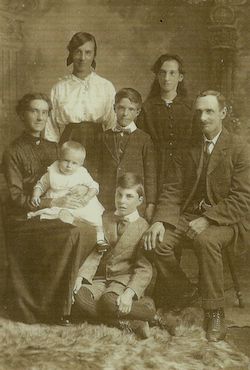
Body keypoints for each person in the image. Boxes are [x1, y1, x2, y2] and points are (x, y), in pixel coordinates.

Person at [143, 90, 250, 342]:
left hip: (228, 219)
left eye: (209, 111)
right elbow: (172, 188)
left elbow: (243, 198)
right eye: (199, 111)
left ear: (223, 113)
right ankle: (186, 291)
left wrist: (209, 219)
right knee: (155, 242)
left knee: (206, 241)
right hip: (191, 214)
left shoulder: (240, 148)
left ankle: (214, 312)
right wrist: (159, 220)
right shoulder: (188, 146)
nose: (203, 117)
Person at [2, 93, 96, 324]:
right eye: (34, 111)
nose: (40, 117)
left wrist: (82, 192)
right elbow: (15, 197)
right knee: (72, 233)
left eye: (44, 112)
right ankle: (54, 309)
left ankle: (66, 302)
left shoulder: (55, 148)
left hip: (53, 213)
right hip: (23, 217)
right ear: (22, 115)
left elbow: (75, 177)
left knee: (89, 230)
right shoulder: (13, 151)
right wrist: (52, 203)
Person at [73, 173, 157, 339]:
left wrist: (128, 293)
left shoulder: (144, 227)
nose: (122, 200)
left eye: (129, 196)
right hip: (100, 279)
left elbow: (144, 268)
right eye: (119, 194)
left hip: (123, 280)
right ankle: (131, 322)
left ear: (140, 200)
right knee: (78, 297)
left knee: (108, 301)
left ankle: (149, 312)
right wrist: (81, 277)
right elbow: (96, 252)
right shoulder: (105, 219)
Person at [44, 32, 116, 177]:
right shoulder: (59, 88)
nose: (83, 58)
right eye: (78, 52)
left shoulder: (105, 86)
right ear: (71, 54)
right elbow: (50, 129)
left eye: (88, 53)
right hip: (69, 144)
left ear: (94, 55)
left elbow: (112, 123)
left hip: (98, 143)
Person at [28, 140, 108, 253]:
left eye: (74, 163)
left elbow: (94, 186)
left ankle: (100, 239)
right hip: (60, 201)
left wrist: (87, 197)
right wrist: (35, 195)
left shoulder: (82, 173)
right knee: (56, 216)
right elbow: (41, 184)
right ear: (59, 158)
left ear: (81, 164)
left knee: (94, 217)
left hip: (79, 202)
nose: (69, 166)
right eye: (66, 161)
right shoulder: (52, 171)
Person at [98, 88, 157, 222]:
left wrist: (151, 204)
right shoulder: (103, 137)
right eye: (121, 108)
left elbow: (151, 175)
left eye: (131, 109)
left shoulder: (145, 139)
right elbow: (97, 170)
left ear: (138, 112)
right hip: (107, 202)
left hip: (134, 204)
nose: (125, 113)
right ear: (114, 108)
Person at [137, 54, 193, 194]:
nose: (166, 78)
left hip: (186, 167)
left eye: (172, 73)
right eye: (162, 73)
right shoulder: (147, 108)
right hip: (156, 167)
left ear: (180, 77)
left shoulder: (191, 107)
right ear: (157, 76)